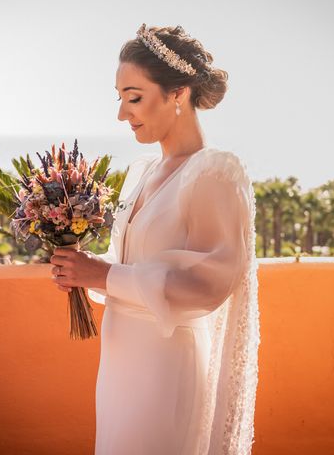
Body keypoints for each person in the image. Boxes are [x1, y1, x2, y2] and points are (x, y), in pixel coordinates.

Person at [49, 23, 260, 455]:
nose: (122, 114)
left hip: (166, 366)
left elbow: (211, 284)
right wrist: (82, 270)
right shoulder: (141, 172)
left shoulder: (214, 172)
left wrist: (105, 275)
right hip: (119, 362)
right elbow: (123, 265)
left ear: (178, 93)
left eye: (134, 97)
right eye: (120, 98)